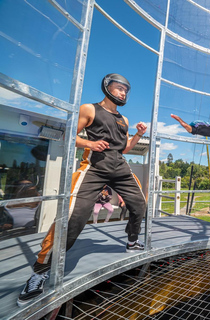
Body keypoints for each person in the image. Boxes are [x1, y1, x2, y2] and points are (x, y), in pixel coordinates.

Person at [17, 73, 148, 306]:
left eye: (126, 90)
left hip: (119, 167)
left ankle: (132, 241)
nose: (123, 93)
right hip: (93, 168)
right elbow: (70, 135)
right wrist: (90, 144)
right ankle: (39, 272)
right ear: (107, 87)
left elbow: (125, 149)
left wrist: (138, 134)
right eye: (119, 88)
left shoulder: (124, 120)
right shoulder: (89, 109)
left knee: (139, 203)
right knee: (73, 216)